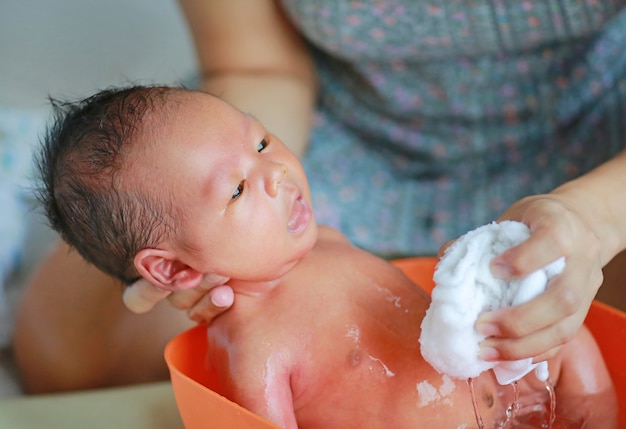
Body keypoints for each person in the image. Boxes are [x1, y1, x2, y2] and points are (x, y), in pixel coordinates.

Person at [14, 0, 626, 393]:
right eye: (234, 188)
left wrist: (592, 220)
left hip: (601, 146)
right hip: (337, 133)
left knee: (585, 334)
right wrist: (245, 173)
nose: (269, 175)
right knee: (69, 346)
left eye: (257, 158)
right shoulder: (273, 175)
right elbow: (258, 70)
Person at [33, 84, 617, 428]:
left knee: (567, 331)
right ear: (172, 269)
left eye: (261, 142)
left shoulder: (332, 240)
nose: (278, 174)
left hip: (506, 389)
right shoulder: (253, 340)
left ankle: (600, 417)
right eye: (236, 189)